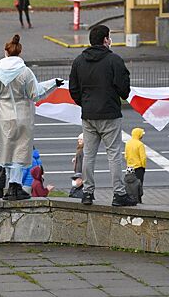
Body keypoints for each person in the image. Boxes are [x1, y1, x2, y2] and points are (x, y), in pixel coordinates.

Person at [0, 35, 61, 201]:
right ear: (20, 52)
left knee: (7, 151)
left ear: (5, 52)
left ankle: (11, 185)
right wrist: (53, 83)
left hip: (3, 116)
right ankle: (16, 187)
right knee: (20, 151)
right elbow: (36, 93)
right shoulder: (25, 72)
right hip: (23, 115)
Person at [69, 25, 136, 207]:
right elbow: (124, 90)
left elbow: (73, 90)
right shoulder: (114, 60)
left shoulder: (79, 61)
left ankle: (87, 193)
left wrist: (85, 103)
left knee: (89, 155)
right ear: (106, 40)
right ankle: (119, 194)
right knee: (113, 154)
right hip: (110, 114)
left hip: (88, 115)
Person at [125, 127, 146, 195]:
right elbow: (143, 157)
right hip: (138, 167)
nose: (142, 136)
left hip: (129, 167)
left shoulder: (128, 143)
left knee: (130, 184)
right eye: (141, 134)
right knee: (138, 184)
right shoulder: (140, 144)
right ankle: (138, 199)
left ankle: (131, 196)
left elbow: (126, 155)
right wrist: (143, 166)